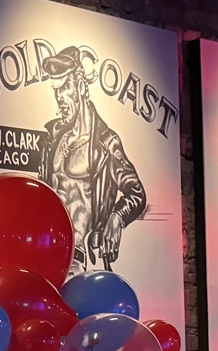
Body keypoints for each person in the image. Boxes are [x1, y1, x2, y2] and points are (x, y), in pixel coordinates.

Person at [37, 45, 145, 273]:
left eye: (65, 87)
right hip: (45, 257)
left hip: (79, 262)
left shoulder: (106, 143)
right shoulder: (53, 140)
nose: (60, 97)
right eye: (56, 91)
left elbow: (136, 193)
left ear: (81, 87)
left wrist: (117, 217)